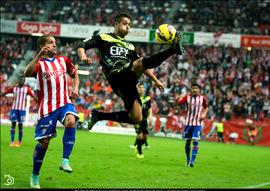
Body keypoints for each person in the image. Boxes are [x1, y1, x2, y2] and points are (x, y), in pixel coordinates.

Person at [77, 13, 183, 156]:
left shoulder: (130, 46)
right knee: (139, 63)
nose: (128, 27)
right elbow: (82, 44)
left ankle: (99, 116)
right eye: (125, 23)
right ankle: (172, 50)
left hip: (127, 83)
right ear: (116, 23)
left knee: (137, 118)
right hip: (116, 74)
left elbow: (142, 65)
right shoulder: (104, 37)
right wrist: (83, 56)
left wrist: (156, 80)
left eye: (129, 25)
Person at [24, 34, 79, 189]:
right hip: (47, 108)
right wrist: (38, 56)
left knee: (71, 120)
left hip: (64, 103)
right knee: (44, 143)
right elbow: (27, 73)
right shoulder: (39, 64)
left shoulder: (64, 61)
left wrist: (75, 88)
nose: (55, 45)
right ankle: (35, 175)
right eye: (50, 43)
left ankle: (65, 160)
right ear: (42, 46)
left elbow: (75, 75)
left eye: (55, 43)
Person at [176, 82, 208, 167]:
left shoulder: (202, 99)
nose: (195, 90)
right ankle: (188, 159)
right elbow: (179, 103)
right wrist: (177, 99)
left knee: (195, 140)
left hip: (197, 123)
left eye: (196, 88)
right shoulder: (187, 97)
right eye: (193, 88)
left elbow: (206, 107)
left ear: (199, 90)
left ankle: (192, 162)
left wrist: (204, 115)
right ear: (191, 89)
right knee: (188, 142)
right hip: (188, 123)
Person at [1, 76, 37, 147]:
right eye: (20, 80)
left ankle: (19, 141)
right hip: (14, 109)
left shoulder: (27, 89)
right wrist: (2, 94)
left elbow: (33, 96)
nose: (21, 81)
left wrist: (38, 100)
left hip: (22, 110)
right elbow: (5, 92)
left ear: (24, 81)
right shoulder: (14, 88)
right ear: (18, 80)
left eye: (23, 80)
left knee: (20, 126)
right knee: (13, 124)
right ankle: (12, 141)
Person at [130, 82, 153, 158]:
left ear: (144, 89)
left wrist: (150, 117)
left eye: (142, 87)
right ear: (137, 89)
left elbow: (149, 109)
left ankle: (138, 146)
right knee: (139, 135)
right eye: (140, 87)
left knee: (145, 136)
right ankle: (139, 153)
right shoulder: (134, 98)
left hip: (144, 119)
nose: (141, 89)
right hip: (137, 119)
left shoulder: (147, 98)